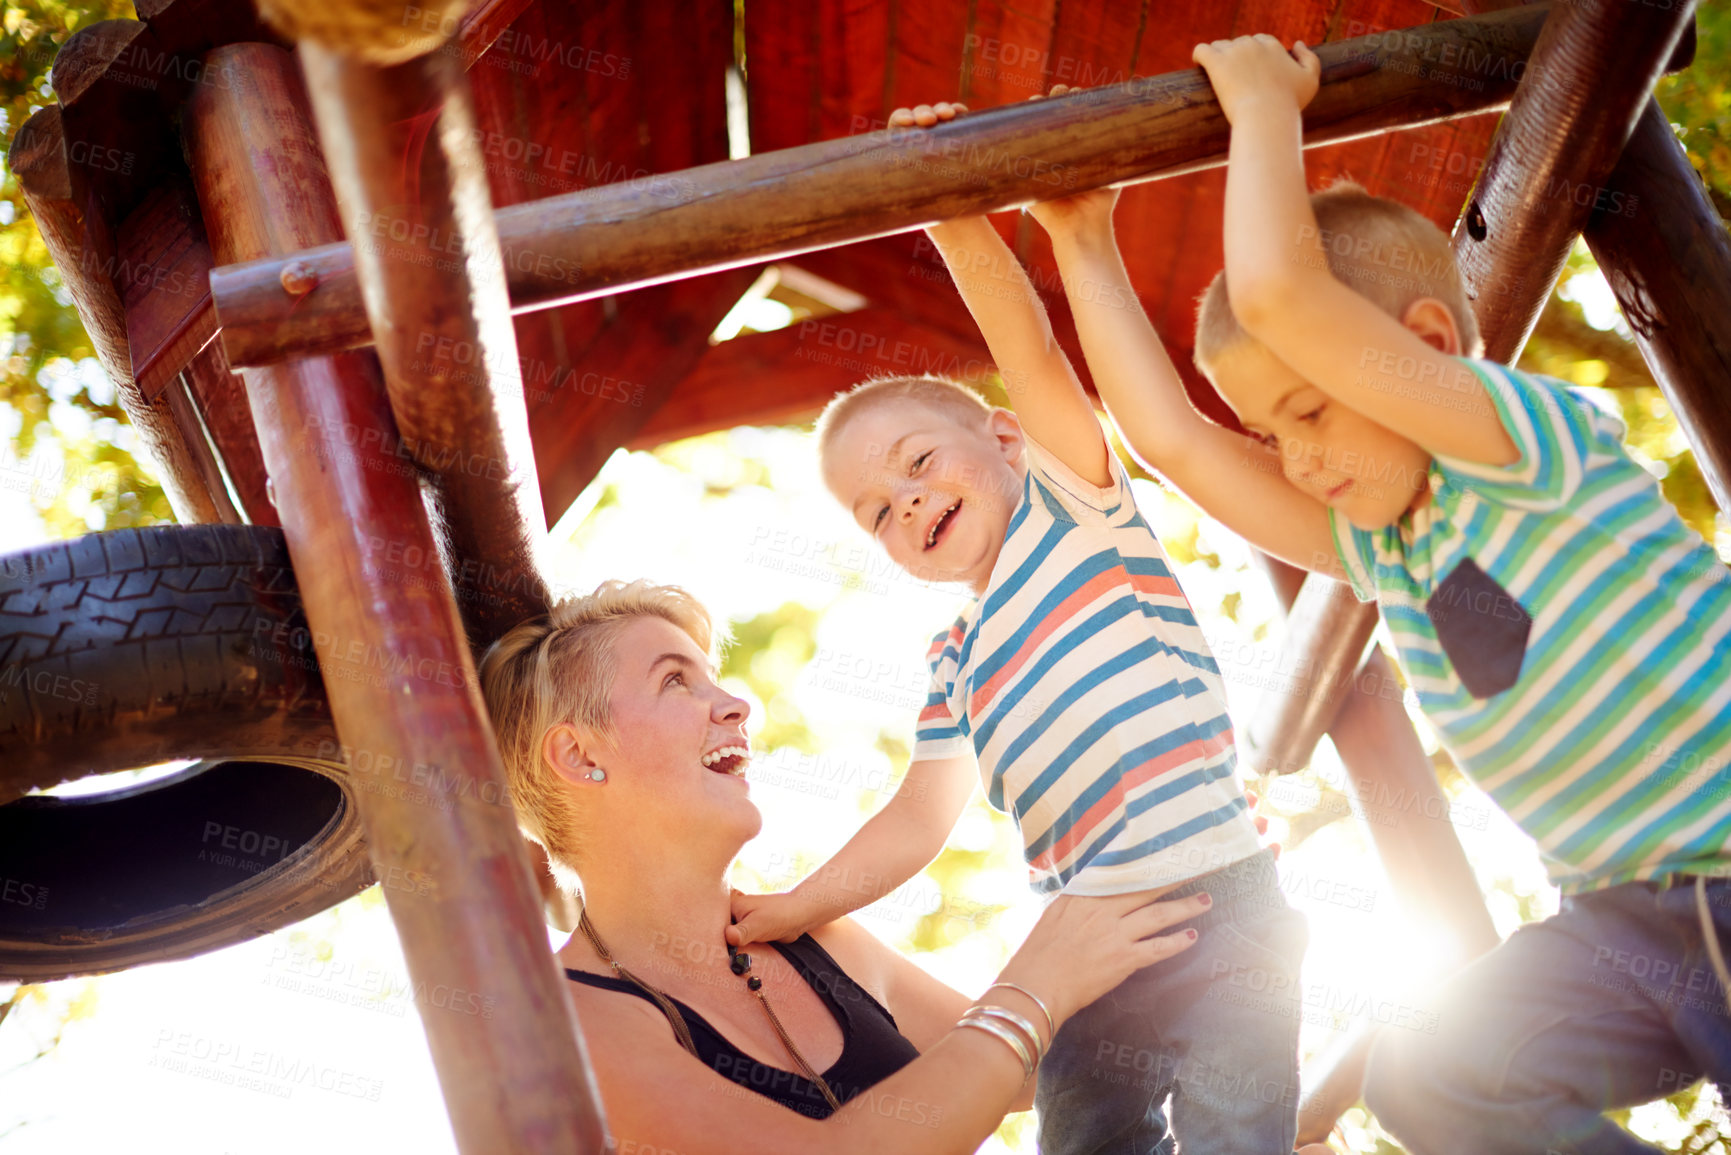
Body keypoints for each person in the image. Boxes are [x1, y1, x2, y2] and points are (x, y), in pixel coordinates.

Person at [1025, 32, 1731, 1154]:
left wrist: (1265, 108)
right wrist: (1080, 236)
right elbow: (1174, 442)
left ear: (1425, 347)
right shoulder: (1383, 547)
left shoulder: (1513, 441)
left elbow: (1280, 294)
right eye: (1274, 434)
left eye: (1309, 411)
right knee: (1432, 1078)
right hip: (1623, 924)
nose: (1297, 461)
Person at [726, 100, 1309, 1154]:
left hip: (1221, 904)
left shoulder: (1075, 512)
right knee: (1082, 1134)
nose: (906, 500)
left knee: (1236, 1128)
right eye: (877, 512)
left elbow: (1031, 355)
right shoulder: (954, 662)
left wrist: (954, 213)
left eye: (917, 462)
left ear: (1005, 442)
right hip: (1085, 940)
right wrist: (795, 904)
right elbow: (917, 818)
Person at [475, 579, 1221, 1155]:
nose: (734, 704)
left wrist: (1174, 877)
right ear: (578, 753)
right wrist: (1034, 987)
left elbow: (1037, 1068)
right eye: (676, 681)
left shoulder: (824, 945)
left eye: (714, 677)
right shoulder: (567, 1022)